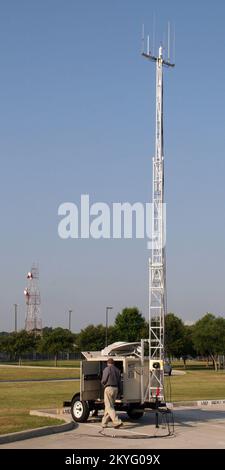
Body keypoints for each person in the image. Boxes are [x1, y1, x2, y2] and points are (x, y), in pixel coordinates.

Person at [101, 357, 123, 428]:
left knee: (109, 406)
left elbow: (104, 379)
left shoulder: (107, 369)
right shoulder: (117, 370)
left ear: (108, 363)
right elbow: (120, 382)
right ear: (113, 363)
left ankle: (117, 421)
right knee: (110, 406)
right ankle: (104, 423)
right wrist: (120, 391)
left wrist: (103, 384)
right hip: (116, 389)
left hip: (109, 388)